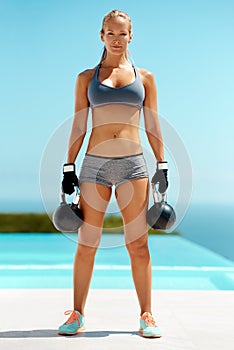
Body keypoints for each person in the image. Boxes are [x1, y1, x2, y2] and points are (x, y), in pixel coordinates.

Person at [58, 9, 168, 338]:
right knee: (87, 242)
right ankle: (77, 314)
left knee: (138, 245)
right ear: (101, 36)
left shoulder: (145, 77)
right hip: (95, 165)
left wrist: (162, 164)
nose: (117, 39)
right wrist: (68, 166)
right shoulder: (86, 78)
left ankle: (147, 315)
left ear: (130, 36)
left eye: (122, 34)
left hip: (133, 165)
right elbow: (79, 123)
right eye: (111, 33)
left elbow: (152, 122)